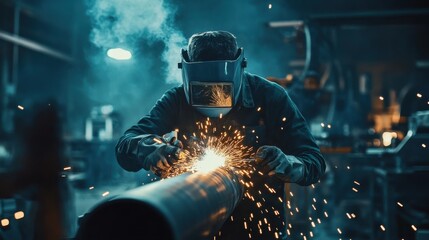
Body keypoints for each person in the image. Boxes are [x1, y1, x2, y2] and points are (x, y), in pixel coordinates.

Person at [115, 31, 326, 239]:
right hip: (193, 225)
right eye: (203, 92)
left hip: (259, 230)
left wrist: (288, 164)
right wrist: (149, 148)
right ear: (188, 76)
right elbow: (126, 145)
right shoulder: (177, 99)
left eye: (221, 91)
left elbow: (314, 162)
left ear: (238, 70)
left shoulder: (271, 97)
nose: (213, 99)